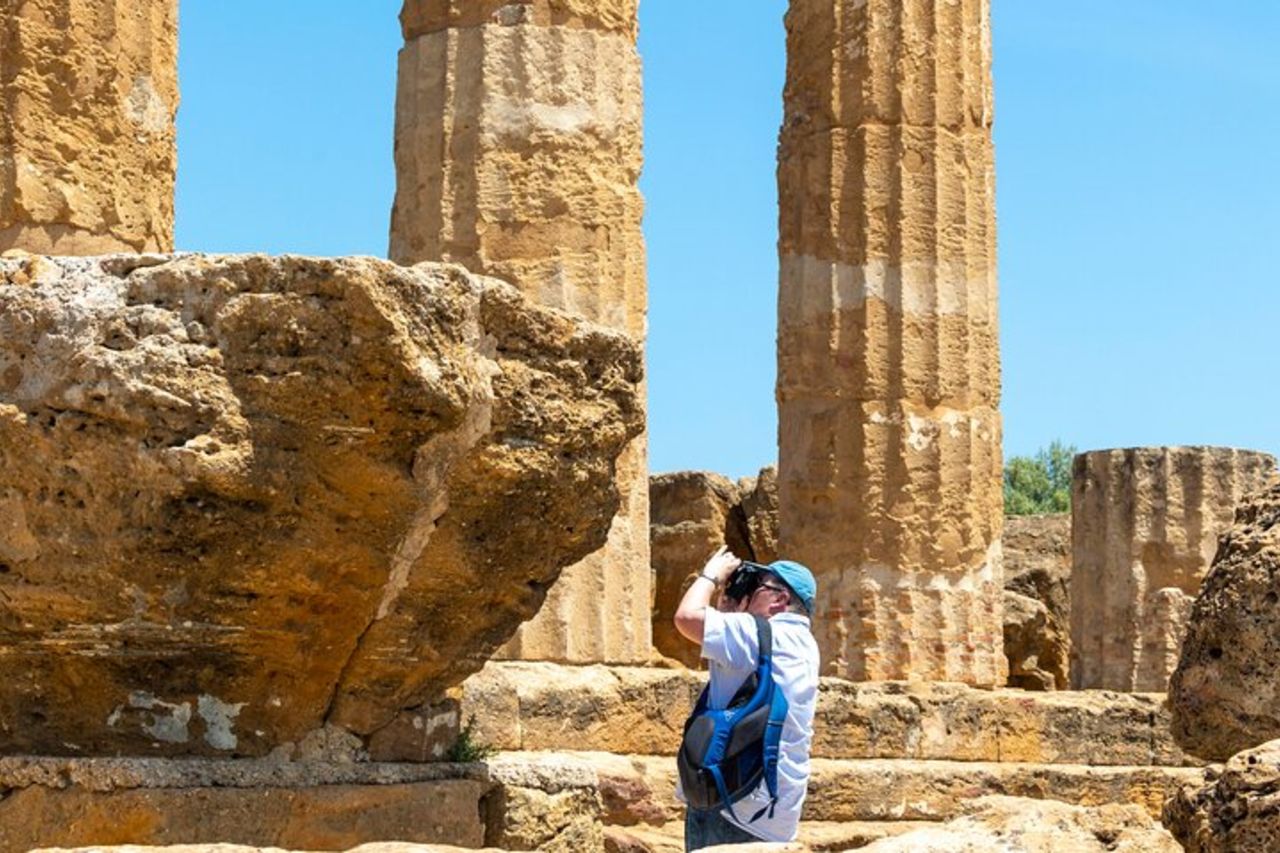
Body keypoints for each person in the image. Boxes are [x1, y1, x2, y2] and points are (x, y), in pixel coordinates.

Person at [673, 546, 820, 850]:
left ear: (780, 599)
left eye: (759, 586)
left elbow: (686, 617)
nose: (751, 591)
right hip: (771, 809)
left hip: (730, 803)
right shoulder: (804, 643)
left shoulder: (757, 634)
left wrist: (710, 575)